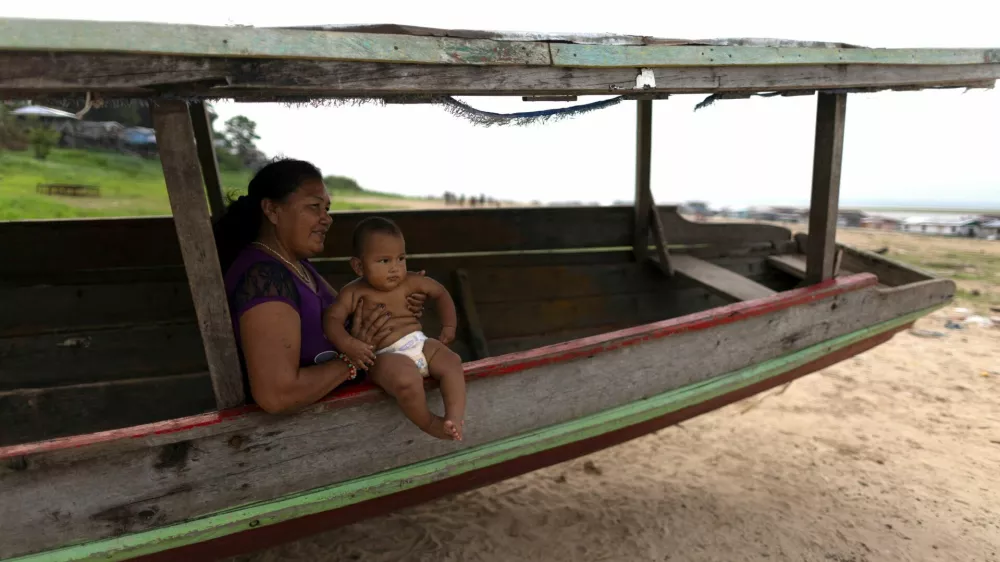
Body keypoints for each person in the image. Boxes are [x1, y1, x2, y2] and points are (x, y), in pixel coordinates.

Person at [213, 158, 427, 414]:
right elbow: (277, 395)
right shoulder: (264, 278)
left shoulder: (298, 269)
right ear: (271, 210)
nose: (327, 219)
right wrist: (350, 362)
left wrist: (399, 301)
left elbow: (362, 319)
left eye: (327, 208)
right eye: (314, 207)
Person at [324, 217, 466, 441]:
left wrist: (449, 324)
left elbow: (440, 292)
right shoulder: (353, 293)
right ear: (359, 266)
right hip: (385, 355)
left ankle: (454, 418)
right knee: (406, 379)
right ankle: (429, 422)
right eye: (384, 261)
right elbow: (332, 319)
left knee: (452, 361)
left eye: (401, 258)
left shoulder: (410, 282)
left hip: (419, 342)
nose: (395, 268)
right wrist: (348, 344)